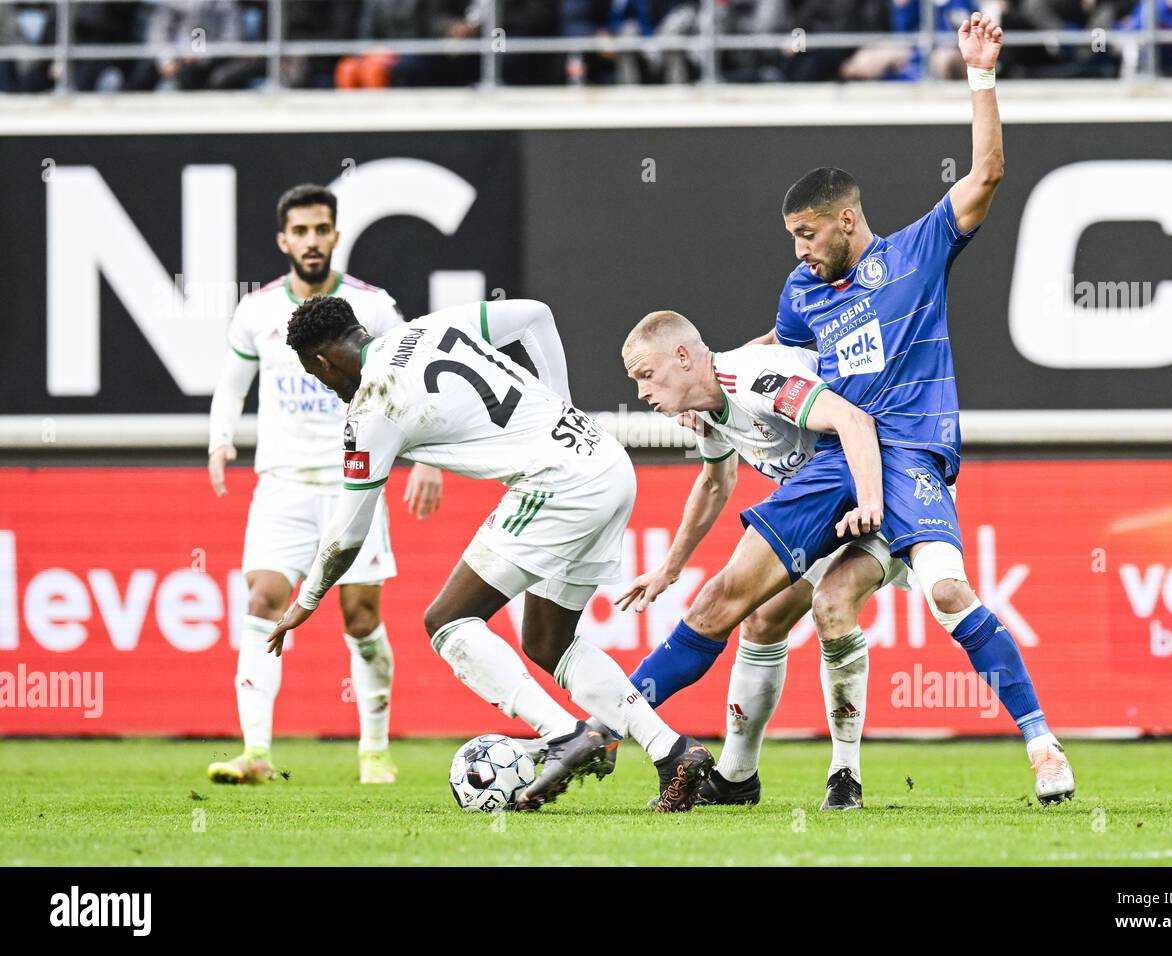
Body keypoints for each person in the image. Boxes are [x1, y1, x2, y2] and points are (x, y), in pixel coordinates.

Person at [623, 13, 1076, 803]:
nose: (798, 249)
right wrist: (716, 376)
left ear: (847, 220)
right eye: (791, 236)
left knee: (943, 591)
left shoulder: (915, 252)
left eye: (807, 233)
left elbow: (988, 175)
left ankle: (1041, 743)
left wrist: (980, 77)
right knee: (739, 606)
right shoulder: (802, 290)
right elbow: (780, 344)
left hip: (907, 456)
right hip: (833, 460)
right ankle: (641, 734)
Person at [265, 297, 716, 811]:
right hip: (604, 460)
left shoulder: (371, 406)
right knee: (549, 641)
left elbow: (347, 532)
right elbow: (537, 315)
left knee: (447, 621)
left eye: (317, 376)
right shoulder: (428, 327)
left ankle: (565, 737)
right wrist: (560, 408)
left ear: (322, 363)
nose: (327, 388)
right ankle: (672, 751)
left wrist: (309, 597)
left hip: (559, 486)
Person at [616, 309, 908, 810]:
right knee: (760, 620)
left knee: (831, 604)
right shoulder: (707, 406)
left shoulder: (754, 378)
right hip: (824, 508)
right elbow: (715, 482)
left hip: (883, 485)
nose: (641, 392)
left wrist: (871, 503)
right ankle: (736, 776)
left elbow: (849, 419)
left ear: (683, 356)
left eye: (647, 375)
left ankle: (845, 775)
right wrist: (668, 569)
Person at [206, 183, 443, 786]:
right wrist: (220, 439)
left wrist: (429, 459)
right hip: (281, 482)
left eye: (322, 230)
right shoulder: (256, 310)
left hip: (355, 480)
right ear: (284, 240)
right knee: (262, 600)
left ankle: (373, 749)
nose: (312, 241)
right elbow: (232, 385)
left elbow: (416, 378)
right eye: (301, 232)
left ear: (336, 235)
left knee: (360, 617)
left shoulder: (373, 306)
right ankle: (255, 751)